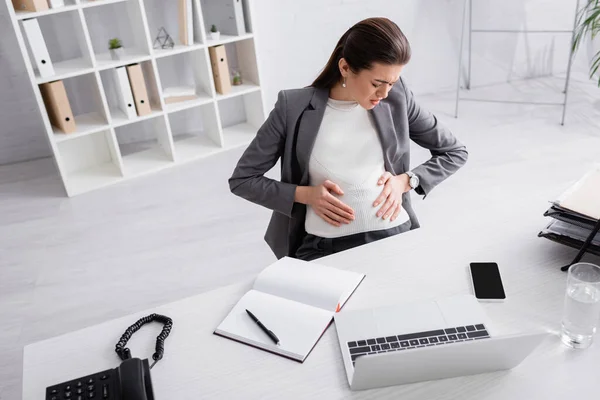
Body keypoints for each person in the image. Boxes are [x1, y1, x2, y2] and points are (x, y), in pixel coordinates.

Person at [229, 17, 468, 261]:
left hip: (395, 235)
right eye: (377, 83)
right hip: (324, 247)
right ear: (345, 68)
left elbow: (454, 152)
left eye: (392, 83)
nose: (385, 94)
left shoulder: (398, 97)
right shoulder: (293, 107)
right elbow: (243, 180)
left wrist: (407, 181)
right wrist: (305, 194)